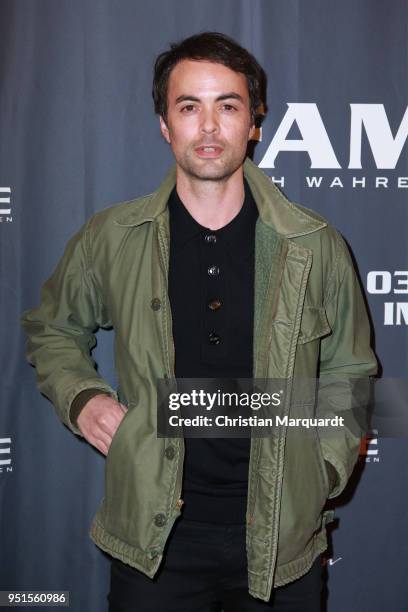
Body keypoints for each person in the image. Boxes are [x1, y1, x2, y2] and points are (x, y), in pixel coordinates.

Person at [21, 31, 377, 611]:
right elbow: (53, 328)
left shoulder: (314, 245)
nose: (208, 127)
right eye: (189, 107)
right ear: (165, 124)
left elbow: (351, 370)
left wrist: (324, 468)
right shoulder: (113, 237)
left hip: (283, 546)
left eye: (227, 106)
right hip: (153, 547)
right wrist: (83, 398)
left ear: (253, 124)